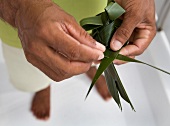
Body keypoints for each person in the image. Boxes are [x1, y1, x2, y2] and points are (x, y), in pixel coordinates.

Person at [0, 0, 156, 120]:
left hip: (95, 9)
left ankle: (89, 66)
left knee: (94, 47)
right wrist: (20, 8)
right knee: (37, 64)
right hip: (25, 20)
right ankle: (42, 86)